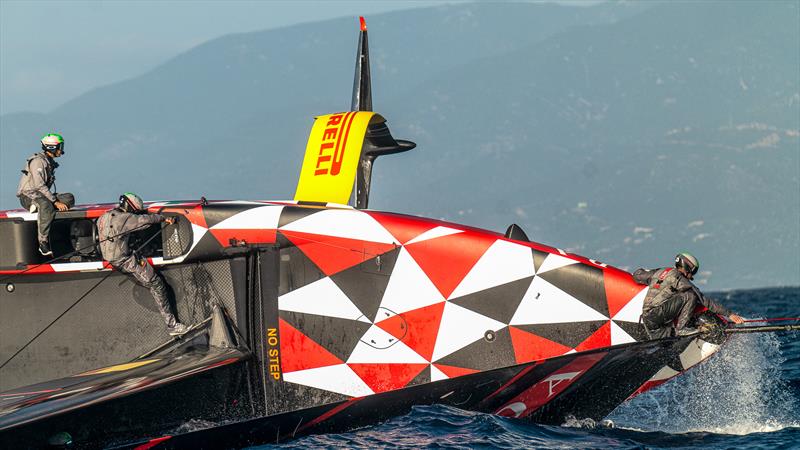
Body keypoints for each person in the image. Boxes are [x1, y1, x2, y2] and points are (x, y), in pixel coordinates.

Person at [97, 192, 189, 336]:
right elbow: (145, 220)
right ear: (129, 206)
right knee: (156, 283)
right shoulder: (125, 218)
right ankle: (172, 326)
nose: (135, 212)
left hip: (109, 256)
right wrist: (164, 219)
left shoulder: (104, 216)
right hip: (124, 260)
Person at [633, 252, 744, 339]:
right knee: (690, 295)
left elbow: (637, 275)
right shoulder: (680, 279)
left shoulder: (659, 272)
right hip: (655, 316)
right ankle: (682, 329)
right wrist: (729, 314)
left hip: (649, 319)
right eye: (693, 272)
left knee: (683, 297)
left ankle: (677, 328)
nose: (691, 276)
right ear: (688, 268)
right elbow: (704, 300)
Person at [17, 133, 75, 256]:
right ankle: (43, 242)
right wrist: (54, 202)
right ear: (52, 147)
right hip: (28, 195)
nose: (62, 149)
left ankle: (41, 208)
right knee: (46, 205)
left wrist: (56, 200)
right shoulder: (38, 162)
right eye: (60, 146)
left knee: (69, 198)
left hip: (42, 195)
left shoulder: (49, 162)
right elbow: (39, 186)